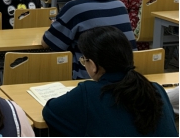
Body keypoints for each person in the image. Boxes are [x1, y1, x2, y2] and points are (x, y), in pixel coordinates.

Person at [43, 26, 177, 137]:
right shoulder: (155, 89)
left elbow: (50, 112)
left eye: (84, 60)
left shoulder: (88, 93)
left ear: (93, 66)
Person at [41, 0, 137, 79]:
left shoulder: (74, 8)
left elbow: (47, 43)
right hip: (125, 77)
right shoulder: (119, 5)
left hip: (91, 77)